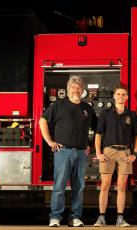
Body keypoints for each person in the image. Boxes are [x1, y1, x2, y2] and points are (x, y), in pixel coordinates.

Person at [39, 76, 97, 227]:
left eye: (78, 87)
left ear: (82, 90)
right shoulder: (59, 105)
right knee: (59, 186)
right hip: (63, 152)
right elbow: (42, 121)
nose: (75, 90)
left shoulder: (88, 109)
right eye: (73, 87)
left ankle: (75, 218)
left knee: (79, 187)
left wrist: (91, 145)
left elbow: (98, 129)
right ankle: (55, 217)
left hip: (81, 154)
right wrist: (50, 142)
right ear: (67, 89)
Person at [93, 85, 137, 227]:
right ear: (114, 96)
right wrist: (98, 152)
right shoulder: (106, 113)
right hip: (108, 152)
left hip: (125, 152)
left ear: (127, 97)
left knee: (121, 187)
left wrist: (135, 154)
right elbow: (98, 134)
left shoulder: (131, 115)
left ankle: (120, 218)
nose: (120, 96)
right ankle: (101, 218)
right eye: (118, 94)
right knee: (105, 186)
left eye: (123, 94)